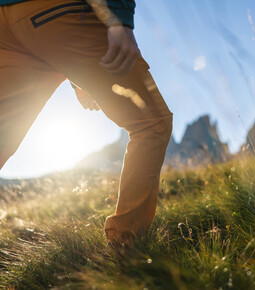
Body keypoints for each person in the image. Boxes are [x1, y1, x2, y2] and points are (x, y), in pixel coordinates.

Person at [0, 0, 173, 247]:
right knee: (151, 123)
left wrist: (76, 80)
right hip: (55, 10)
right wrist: (119, 18)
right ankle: (127, 245)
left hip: (5, 22)